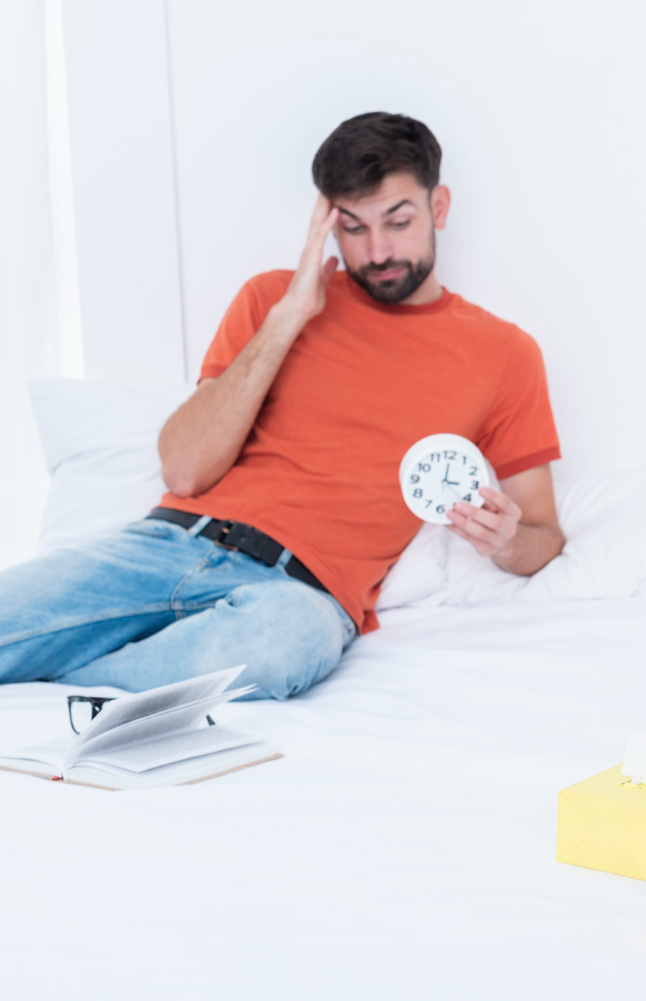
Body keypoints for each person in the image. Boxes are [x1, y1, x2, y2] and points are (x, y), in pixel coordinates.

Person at [0, 112, 564, 700]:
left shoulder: (505, 354)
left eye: (398, 221)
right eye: (352, 226)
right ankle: (99, 680)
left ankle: (55, 691)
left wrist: (504, 540)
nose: (377, 250)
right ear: (325, 223)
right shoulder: (271, 299)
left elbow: (544, 535)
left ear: (439, 207)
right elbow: (185, 469)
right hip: (167, 545)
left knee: (284, 642)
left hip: (299, 595)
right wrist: (289, 318)